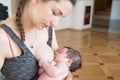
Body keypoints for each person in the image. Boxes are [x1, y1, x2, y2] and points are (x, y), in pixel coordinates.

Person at [0, 0, 76, 80]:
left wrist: (68, 76)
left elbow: (61, 63)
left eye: (61, 17)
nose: (55, 24)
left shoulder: (48, 28)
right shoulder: (3, 36)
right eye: (55, 12)